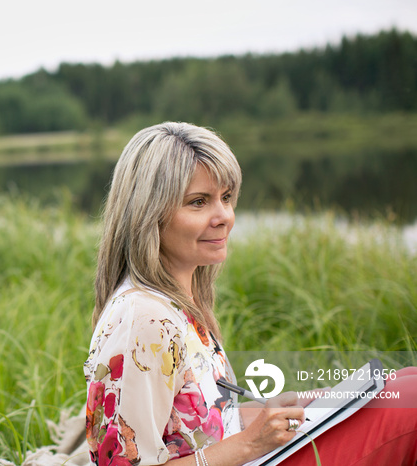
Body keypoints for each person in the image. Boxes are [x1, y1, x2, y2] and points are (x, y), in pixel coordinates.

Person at [84, 122, 417, 466]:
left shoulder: (177, 300)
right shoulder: (145, 320)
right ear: (148, 214)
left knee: (406, 383)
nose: (224, 216)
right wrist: (250, 444)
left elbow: (207, 426)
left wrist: (307, 404)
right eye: (198, 202)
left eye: (226, 198)